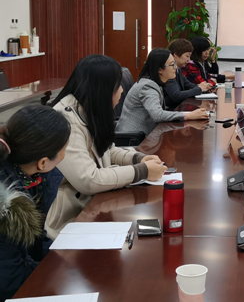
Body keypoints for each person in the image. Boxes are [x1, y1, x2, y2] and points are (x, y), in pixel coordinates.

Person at [46, 55, 167, 238]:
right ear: (101, 89)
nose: (122, 91)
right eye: (117, 86)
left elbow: (107, 149)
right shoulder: (66, 121)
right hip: (72, 219)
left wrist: (138, 158)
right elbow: (88, 180)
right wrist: (142, 171)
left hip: (95, 206)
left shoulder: (88, 108)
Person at [0, 106, 71, 301]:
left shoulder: (29, 178)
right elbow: (8, 278)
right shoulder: (8, 206)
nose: (65, 155)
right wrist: (54, 283)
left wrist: (62, 264)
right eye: (64, 150)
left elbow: (32, 244)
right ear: (43, 163)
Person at [116, 48, 209, 136]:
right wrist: (189, 115)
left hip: (146, 136)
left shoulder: (155, 83)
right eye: (172, 64)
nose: (175, 67)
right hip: (134, 139)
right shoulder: (147, 86)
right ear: (160, 70)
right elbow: (157, 115)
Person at [165, 39, 212, 110]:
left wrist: (204, 87)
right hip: (170, 110)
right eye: (187, 56)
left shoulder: (178, 69)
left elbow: (188, 85)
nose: (189, 60)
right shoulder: (168, 71)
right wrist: (199, 89)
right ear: (176, 55)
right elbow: (176, 95)